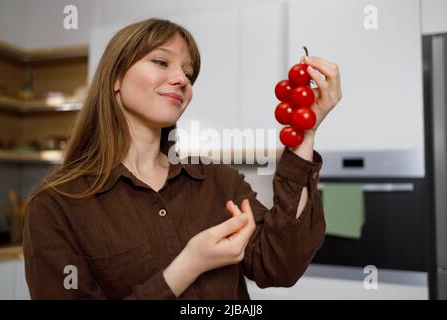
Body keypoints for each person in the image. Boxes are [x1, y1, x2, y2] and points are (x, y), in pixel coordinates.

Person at [22, 18, 342, 300]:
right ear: (115, 79)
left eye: (188, 73)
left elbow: (280, 265)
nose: (182, 79)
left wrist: (305, 131)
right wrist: (187, 267)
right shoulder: (55, 205)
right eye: (162, 62)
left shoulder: (219, 180)